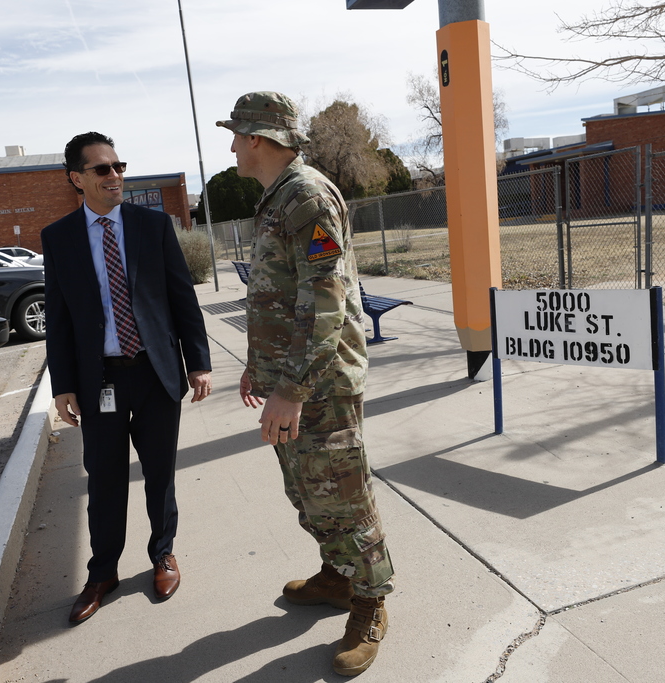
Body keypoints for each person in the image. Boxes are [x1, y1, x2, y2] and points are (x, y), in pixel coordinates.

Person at [217, 93, 395, 676]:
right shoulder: (280, 196)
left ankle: (370, 601)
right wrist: (260, 369)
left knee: (343, 497)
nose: (233, 145)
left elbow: (324, 299)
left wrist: (291, 388)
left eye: (238, 135)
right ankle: (339, 577)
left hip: (320, 384)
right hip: (292, 379)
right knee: (308, 492)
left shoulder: (307, 194)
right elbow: (279, 293)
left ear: (260, 138)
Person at [42, 131, 212, 624]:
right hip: (101, 384)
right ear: (77, 178)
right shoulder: (59, 238)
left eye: (119, 166)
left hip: (156, 373)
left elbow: (182, 298)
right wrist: (64, 384)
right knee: (105, 479)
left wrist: (197, 361)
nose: (115, 176)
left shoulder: (152, 226)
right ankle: (103, 572)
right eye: (102, 169)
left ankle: (163, 553)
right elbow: (59, 317)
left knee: (160, 474)